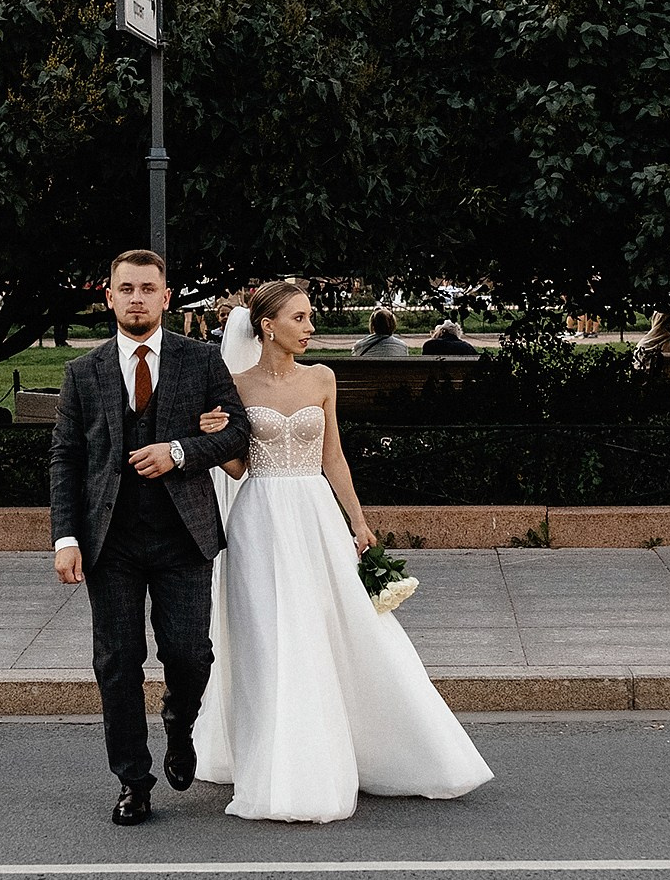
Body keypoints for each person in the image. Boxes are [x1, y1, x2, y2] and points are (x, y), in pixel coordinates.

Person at [192, 277, 491, 823]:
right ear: (267, 326)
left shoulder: (322, 378)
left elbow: (334, 458)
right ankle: (281, 763)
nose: (312, 327)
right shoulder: (233, 386)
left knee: (339, 626)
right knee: (271, 635)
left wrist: (358, 521)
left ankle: (382, 747)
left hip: (316, 516)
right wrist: (214, 439)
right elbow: (238, 467)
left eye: (310, 317)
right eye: (300, 318)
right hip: (258, 518)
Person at [50, 248, 250, 824]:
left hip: (182, 536)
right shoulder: (82, 372)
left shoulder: (201, 360)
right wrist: (65, 538)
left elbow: (239, 430)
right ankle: (133, 781)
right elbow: (66, 459)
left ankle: (180, 723)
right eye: (126, 288)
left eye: (148, 288)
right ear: (109, 297)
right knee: (117, 661)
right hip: (108, 540)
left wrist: (180, 452)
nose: (137, 297)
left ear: (167, 297)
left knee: (191, 654)